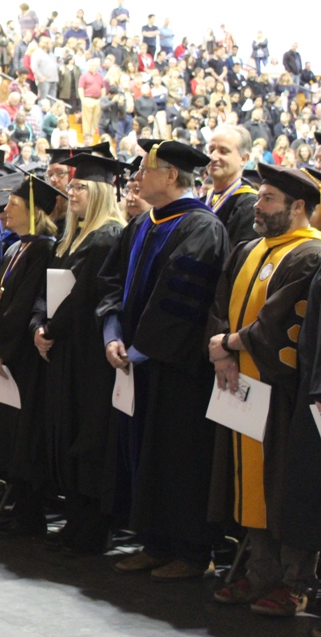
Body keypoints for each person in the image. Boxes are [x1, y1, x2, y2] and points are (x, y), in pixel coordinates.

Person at [98, 139, 229, 580]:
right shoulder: (141, 225)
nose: (136, 179)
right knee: (145, 454)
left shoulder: (201, 227)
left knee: (177, 456)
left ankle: (191, 552)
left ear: (171, 175)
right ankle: (154, 542)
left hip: (177, 368)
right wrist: (112, 333)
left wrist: (139, 349)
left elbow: (181, 302)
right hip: (135, 362)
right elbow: (112, 283)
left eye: (145, 170)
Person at [206, 163, 321, 616]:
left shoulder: (309, 254)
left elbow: (278, 321)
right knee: (245, 482)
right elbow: (219, 304)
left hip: (280, 392)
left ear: (297, 207)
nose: (258, 203)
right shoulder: (250, 248)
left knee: (281, 486)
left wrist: (230, 344)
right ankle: (259, 572)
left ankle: (295, 581)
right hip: (238, 384)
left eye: (268, 198)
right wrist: (220, 349)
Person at [33, 152, 126, 554]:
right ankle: (76, 521)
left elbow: (83, 295)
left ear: (102, 192)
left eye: (81, 187)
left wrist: (50, 327)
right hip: (63, 350)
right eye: (71, 186)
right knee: (67, 431)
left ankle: (91, 528)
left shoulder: (108, 236)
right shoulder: (70, 237)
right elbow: (48, 288)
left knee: (88, 437)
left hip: (89, 354)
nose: (72, 193)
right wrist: (38, 325)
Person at [0, 174, 61, 535]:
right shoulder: (15, 248)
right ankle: (16, 504)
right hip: (1, 357)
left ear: (35, 211)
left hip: (23, 361)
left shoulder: (44, 248)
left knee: (26, 436)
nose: (6, 210)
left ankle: (30, 514)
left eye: (14, 205)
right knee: (8, 433)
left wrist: (5, 352)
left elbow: (24, 307)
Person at [204, 124, 259, 245]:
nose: (213, 157)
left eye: (223, 151)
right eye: (211, 150)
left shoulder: (251, 206)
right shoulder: (203, 200)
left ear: (243, 158)